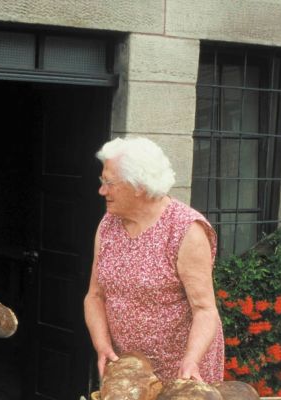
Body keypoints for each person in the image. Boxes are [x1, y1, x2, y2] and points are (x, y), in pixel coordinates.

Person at [84, 136, 224, 386]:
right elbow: (95, 296)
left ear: (139, 185)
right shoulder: (108, 225)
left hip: (180, 372)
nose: (101, 191)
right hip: (128, 369)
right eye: (102, 182)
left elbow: (205, 310)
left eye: (109, 183)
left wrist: (191, 361)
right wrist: (102, 346)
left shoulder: (185, 230)